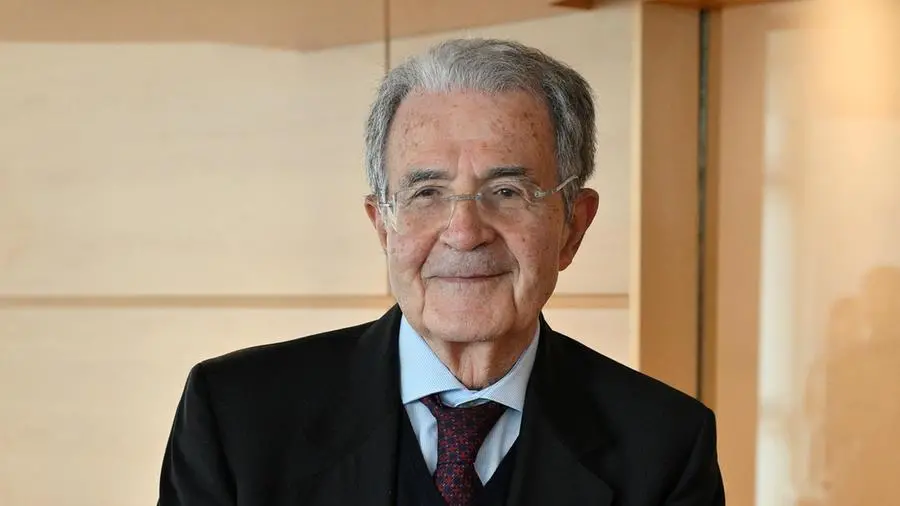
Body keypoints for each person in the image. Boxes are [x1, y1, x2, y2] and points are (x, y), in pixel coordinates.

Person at [157, 38, 725, 506]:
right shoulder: (236, 417)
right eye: (427, 192)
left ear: (573, 226)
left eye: (508, 190)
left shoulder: (665, 446)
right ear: (383, 226)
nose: (464, 232)